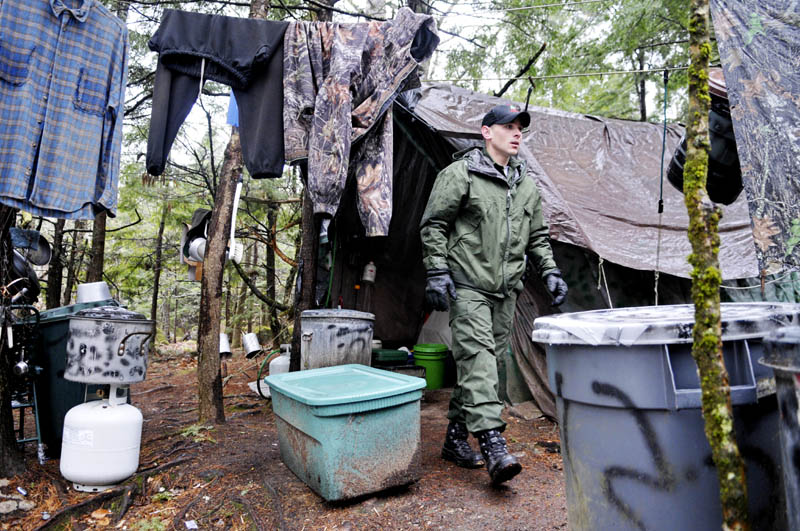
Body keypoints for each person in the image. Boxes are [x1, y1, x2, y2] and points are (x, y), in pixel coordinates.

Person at [419, 104, 568, 485]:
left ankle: (455, 439)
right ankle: (493, 444)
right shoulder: (460, 174)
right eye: (509, 127)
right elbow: (434, 224)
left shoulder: (526, 185)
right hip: (468, 284)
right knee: (478, 357)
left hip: (507, 290)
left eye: (521, 128)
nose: (517, 133)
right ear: (487, 132)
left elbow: (537, 237)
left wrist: (549, 271)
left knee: (482, 366)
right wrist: (437, 270)